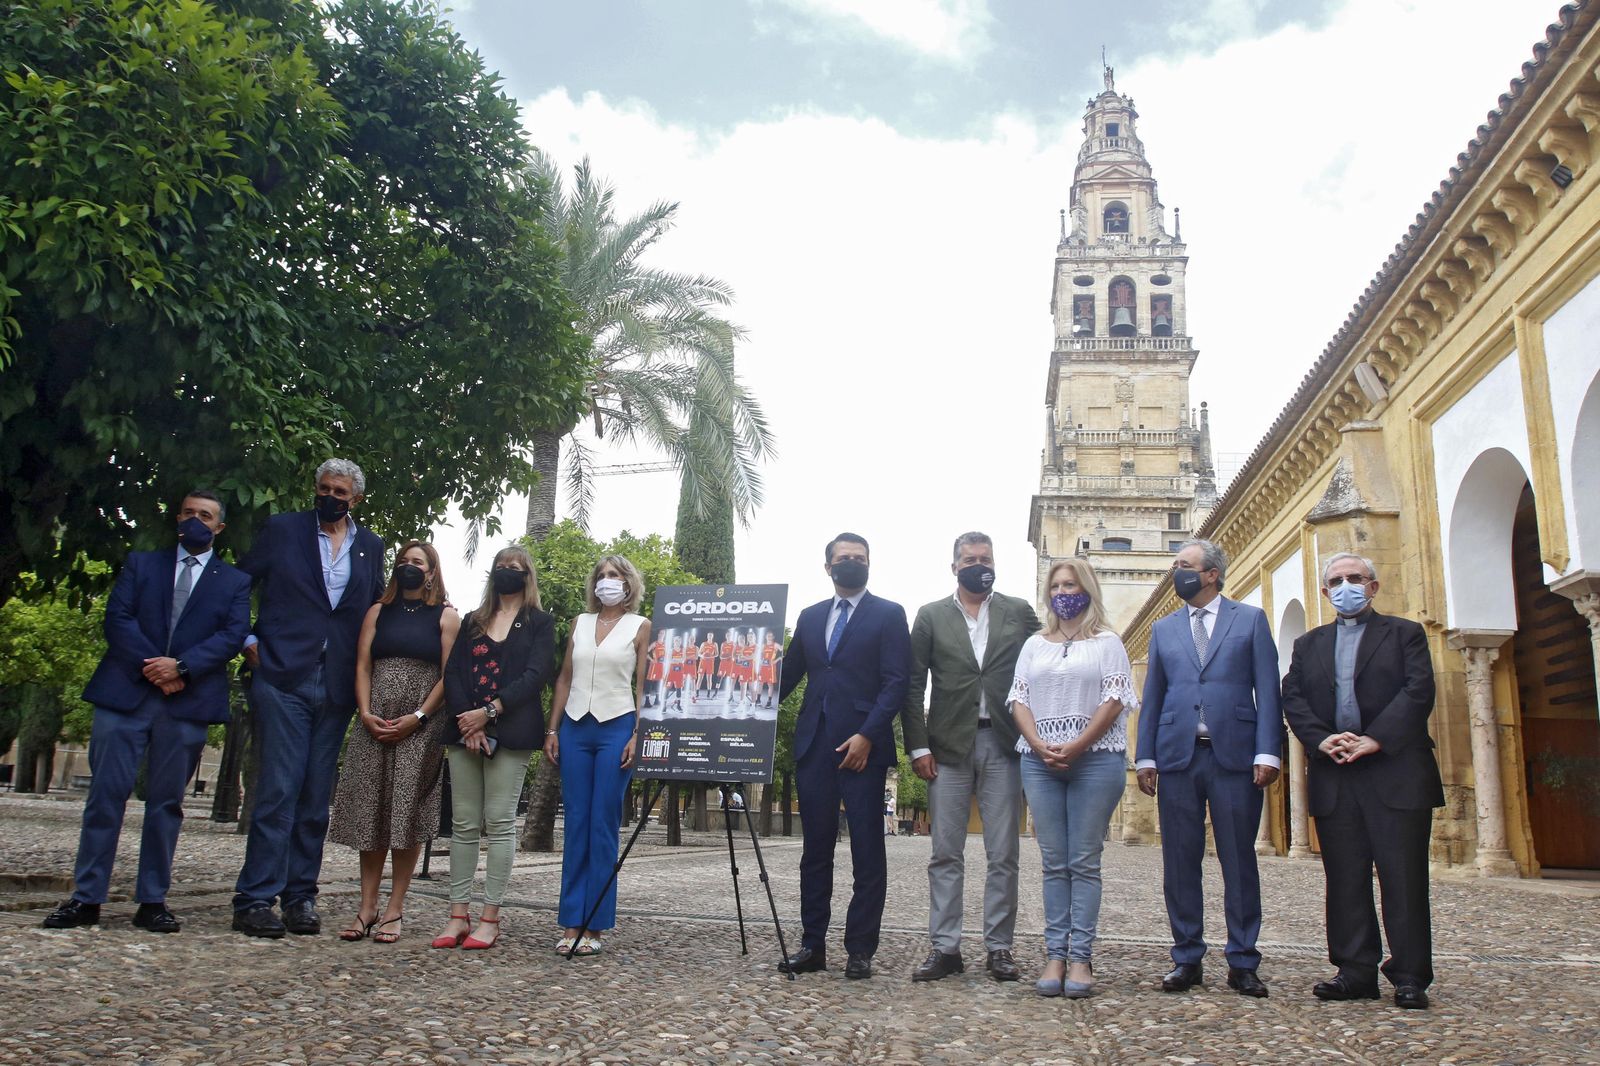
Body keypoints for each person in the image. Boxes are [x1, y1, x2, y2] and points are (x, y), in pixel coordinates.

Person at [43, 492, 251, 933]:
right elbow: (118, 619)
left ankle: (152, 899)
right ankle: (87, 896)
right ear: (178, 518)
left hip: (186, 701)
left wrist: (182, 667)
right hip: (127, 694)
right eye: (190, 513)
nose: (197, 520)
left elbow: (233, 634)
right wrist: (155, 667)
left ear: (220, 527)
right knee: (104, 797)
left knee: (166, 804)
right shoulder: (142, 564)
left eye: (206, 516)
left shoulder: (233, 581)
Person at [233, 460, 386, 938]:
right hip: (283, 674)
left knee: (316, 797)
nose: (330, 496)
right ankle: (255, 898)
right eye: (324, 488)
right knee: (278, 788)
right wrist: (247, 640)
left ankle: (300, 896)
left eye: (340, 491)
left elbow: (374, 609)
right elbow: (238, 585)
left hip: (338, 683)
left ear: (355, 499)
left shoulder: (370, 546)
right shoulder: (282, 530)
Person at [1283, 553, 1441, 1010]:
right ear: (1324, 592)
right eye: (1336, 580)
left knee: (1404, 878)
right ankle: (1354, 971)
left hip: (1395, 771)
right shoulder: (1309, 644)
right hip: (1336, 773)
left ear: (1373, 587)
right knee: (1346, 878)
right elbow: (1292, 696)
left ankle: (1410, 976)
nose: (1345, 586)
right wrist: (1323, 739)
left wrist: (1376, 739)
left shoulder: (1405, 634)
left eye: (1355, 578)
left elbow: (1418, 690)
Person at [1136, 538, 1283, 996]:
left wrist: (1268, 750)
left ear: (1211, 574)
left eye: (1183, 565)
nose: (1175, 572)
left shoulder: (1250, 620)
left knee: (1239, 860)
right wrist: (1145, 755)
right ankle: (1186, 957)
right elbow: (1152, 696)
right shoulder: (1163, 630)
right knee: (1179, 861)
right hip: (1178, 756)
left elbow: (1268, 688)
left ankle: (1242, 960)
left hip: (1236, 756)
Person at [900, 531, 1042, 984]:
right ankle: (945, 947)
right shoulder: (930, 616)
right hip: (947, 748)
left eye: (984, 557)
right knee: (945, 852)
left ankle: (999, 947)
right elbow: (911, 683)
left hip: (1005, 742)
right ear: (954, 566)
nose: (977, 563)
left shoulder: (1018, 612)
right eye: (969, 558)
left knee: (1004, 852)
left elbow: (1048, 658)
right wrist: (918, 745)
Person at [777, 532, 911, 980]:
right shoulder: (810, 617)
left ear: (870, 564)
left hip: (864, 749)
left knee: (867, 852)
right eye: (843, 558)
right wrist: (737, 696)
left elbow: (895, 682)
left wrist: (867, 735)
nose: (851, 563)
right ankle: (812, 945)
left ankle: (860, 949)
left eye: (859, 557)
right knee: (815, 851)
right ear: (828, 566)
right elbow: (787, 676)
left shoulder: (889, 615)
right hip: (814, 745)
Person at [1007, 559, 1136, 997]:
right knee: (1053, 863)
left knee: (1083, 861)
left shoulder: (1108, 643)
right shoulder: (1033, 645)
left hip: (1096, 760)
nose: (1064, 592)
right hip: (1039, 761)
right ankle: (1054, 955)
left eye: (1072, 584)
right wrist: (1039, 743)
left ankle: (1080, 957)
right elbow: (1019, 699)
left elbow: (1114, 698)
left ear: (1088, 590)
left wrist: (1078, 744)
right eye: (1057, 585)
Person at [327, 540, 460, 944]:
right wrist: (364, 711)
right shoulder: (377, 612)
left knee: (405, 813)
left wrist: (418, 717)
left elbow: (449, 674)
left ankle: (394, 908)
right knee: (371, 810)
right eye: (403, 561)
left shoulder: (447, 616)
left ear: (432, 571)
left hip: (421, 725)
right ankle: (366, 906)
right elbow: (363, 662)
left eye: (417, 562)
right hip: (375, 719)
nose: (409, 567)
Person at [431, 545, 555, 951]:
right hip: (466, 730)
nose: (507, 573)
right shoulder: (472, 621)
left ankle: (490, 918)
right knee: (465, 825)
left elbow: (537, 675)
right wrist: (470, 720)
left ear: (527, 576)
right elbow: (453, 673)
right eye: (501, 567)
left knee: (500, 822)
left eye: (515, 568)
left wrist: (490, 711)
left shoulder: (539, 622)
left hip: (512, 730)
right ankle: (457, 915)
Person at [545, 554, 651, 957]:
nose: (607, 581)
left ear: (628, 584)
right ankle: (571, 921)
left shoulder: (640, 626)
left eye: (615, 575)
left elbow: (643, 685)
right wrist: (553, 729)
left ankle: (596, 926)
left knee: (603, 824)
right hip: (575, 726)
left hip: (616, 726)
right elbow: (565, 678)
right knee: (575, 823)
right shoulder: (580, 622)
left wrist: (639, 733)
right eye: (602, 576)